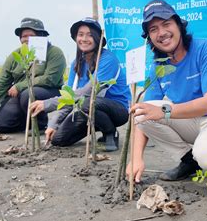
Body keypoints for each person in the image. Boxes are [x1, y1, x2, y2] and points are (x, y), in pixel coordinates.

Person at [126, 0, 207, 182]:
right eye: (153, 29)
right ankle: (189, 161)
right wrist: (136, 159)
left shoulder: (206, 49)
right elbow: (145, 110)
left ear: (179, 25)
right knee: (142, 112)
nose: (162, 33)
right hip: (193, 120)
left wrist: (163, 111)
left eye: (166, 24)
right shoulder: (158, 66)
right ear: (149, 38)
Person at [30, 18, 131, 151]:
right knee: (58, 140)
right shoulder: (76, 64)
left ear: (98, 38)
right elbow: (69, 97)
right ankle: (95, 126)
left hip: (117, 109)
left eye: (90, 34)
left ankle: (110, 132)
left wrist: (47, 104)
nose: (84, 38)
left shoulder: (108, 59)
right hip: (86, 108)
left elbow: (89, 92)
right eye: (80, 34)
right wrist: (53, 124)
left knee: (87, 102)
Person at [0, 18, 66, 133]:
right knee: (1, 125)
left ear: (41, 36)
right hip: (20, 95)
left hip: (48, 91)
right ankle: (28, 121)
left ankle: (40, 124)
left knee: (28, 94)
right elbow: (2, 83)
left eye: (31, 35)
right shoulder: (15, 56)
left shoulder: (55, 52)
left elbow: (50, 79)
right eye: (24, 36)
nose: (27, 39)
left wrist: (19, 86)